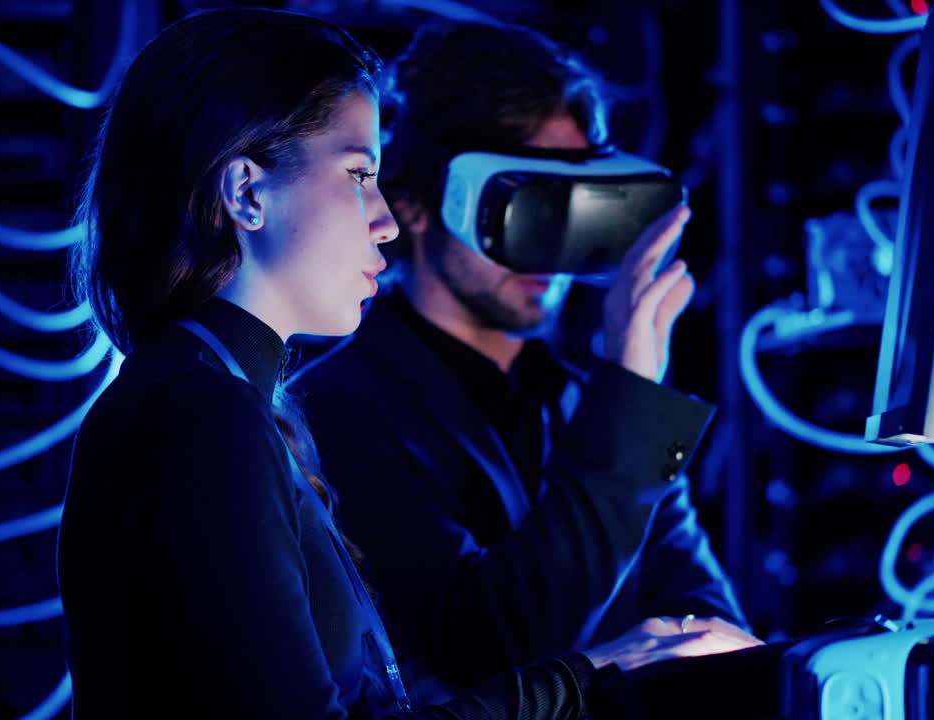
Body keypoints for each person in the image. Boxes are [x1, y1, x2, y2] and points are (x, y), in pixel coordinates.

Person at [55, 8, 763, 719]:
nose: (384, 219)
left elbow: (710, 634)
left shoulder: (236, 406)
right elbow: (476, 645)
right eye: (360, 174)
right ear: (246, 192)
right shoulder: (210, 414)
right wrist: (592, 673)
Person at [291, 20, 752, 702]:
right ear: (416, 207)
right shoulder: (329, 411)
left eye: (576, 204)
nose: (555, 245)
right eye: (527, 207)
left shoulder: (587, 404)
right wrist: (627, 397)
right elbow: (488, 643)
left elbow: (717, 638)